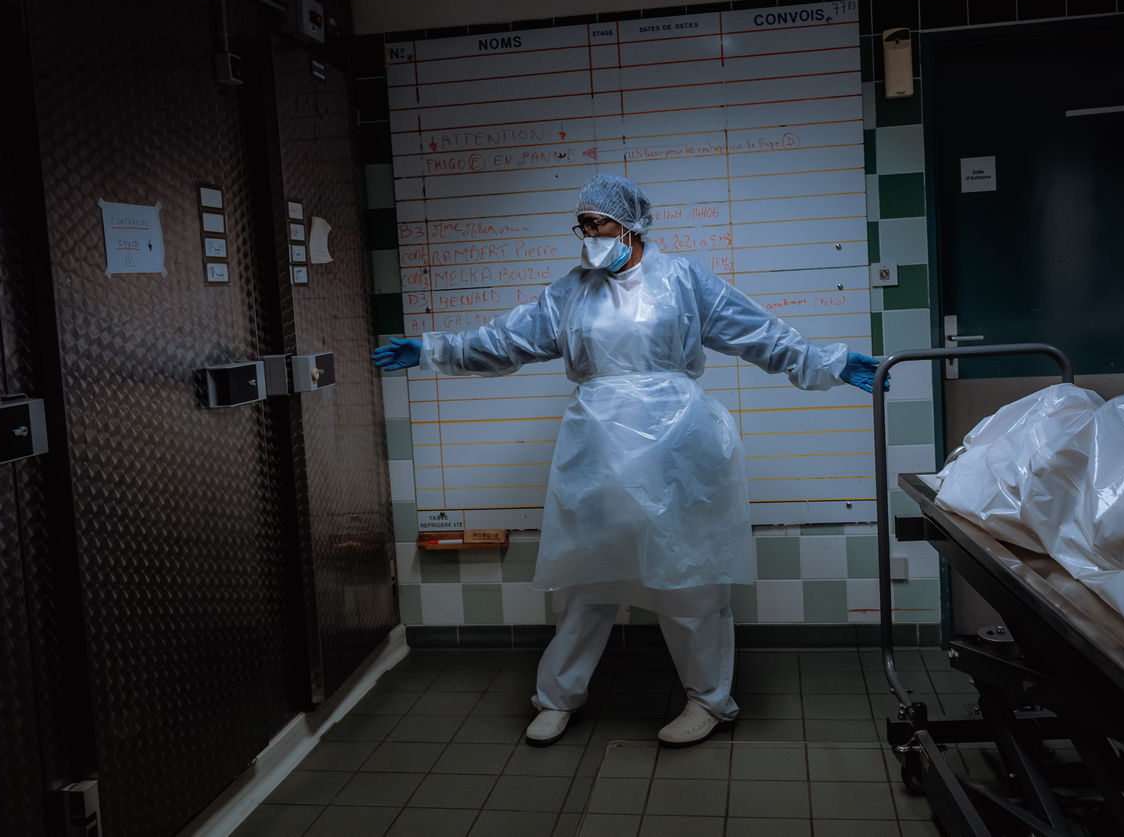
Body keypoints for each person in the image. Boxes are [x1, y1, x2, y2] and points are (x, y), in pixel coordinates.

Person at [374, 173, 885, 748]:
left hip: (677, 446)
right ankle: (557, 698)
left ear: (632, 225)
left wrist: (828, 362)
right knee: (589, 577)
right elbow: (505, 340)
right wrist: (433, 349)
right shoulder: (571, 292)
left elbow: (758, 333)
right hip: (597, 447)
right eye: (583, 225)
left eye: (598, 223)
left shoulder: (683, 280)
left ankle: (709, 700)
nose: (589, 235)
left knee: (688, 576)